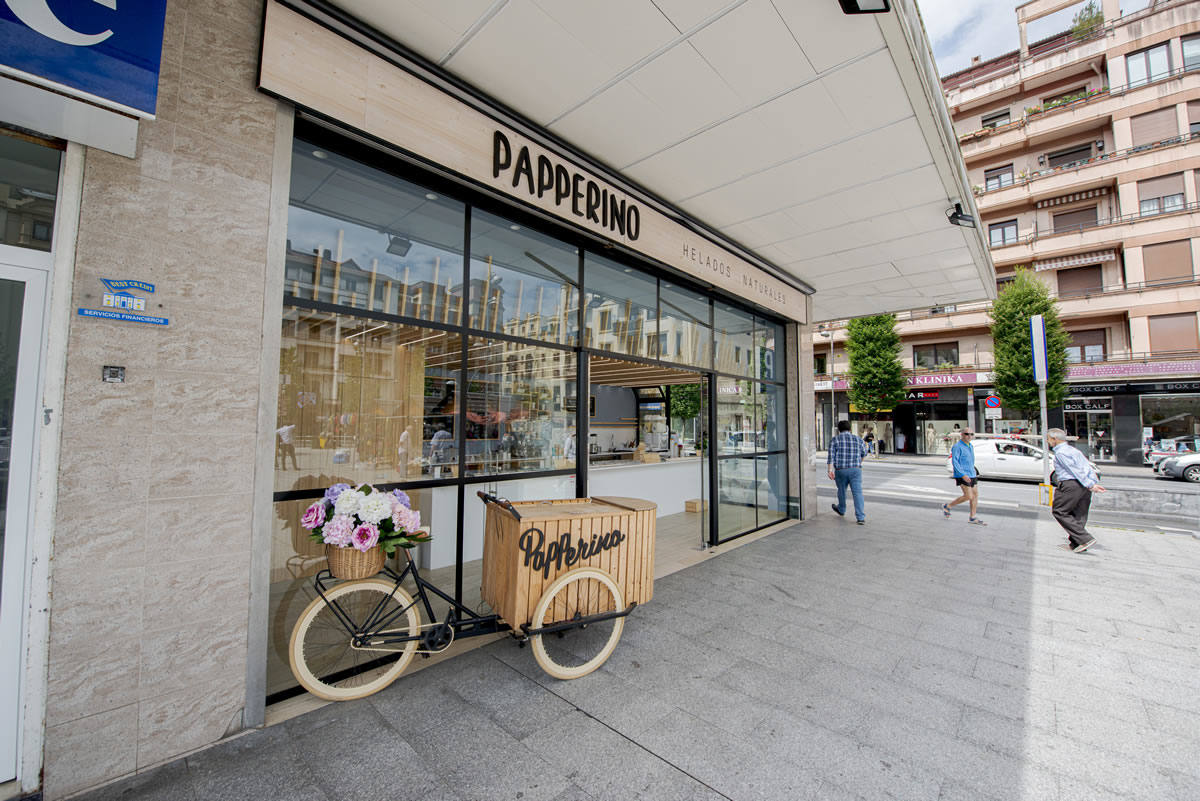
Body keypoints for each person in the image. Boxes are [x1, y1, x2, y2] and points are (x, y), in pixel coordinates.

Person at [1046, 428, 1106, 552]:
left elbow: (1074, 470)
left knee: (1059, 511)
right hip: (1083, 486)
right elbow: (1087, 467)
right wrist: (1092, 483)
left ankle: (1084, 539)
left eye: (1048, 439)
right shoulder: (1074, 450)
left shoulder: (1061, 453)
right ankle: (1077, 544)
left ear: (1055, 439)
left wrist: (1090, 484)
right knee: (1079, 514)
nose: (1047, 441)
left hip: (1071, 485)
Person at [827, 420, 869, 524]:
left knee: (841, 490)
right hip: (855, 469)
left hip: (841, 470)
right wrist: (858, 463)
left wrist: (830, 470)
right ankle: (860, 517)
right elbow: (864, 453)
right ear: (850, 429)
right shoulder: (858, 439)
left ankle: (841, 509)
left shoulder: (835, 440)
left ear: (839, 430)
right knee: (857, 492)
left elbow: (831, 457)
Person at [944, 428, 986, 525]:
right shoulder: (957, 446)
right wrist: (962, 475)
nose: (969, 436)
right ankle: (948, 506)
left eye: (972, 434)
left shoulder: (970, 446)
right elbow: (955, 462)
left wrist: (974, 471)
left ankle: (972, 517)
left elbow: (970, 460)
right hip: (962, 474)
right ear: (962, 435)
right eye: (967, 434)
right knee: (968, 496)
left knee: (975, 495)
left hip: (971, 473)